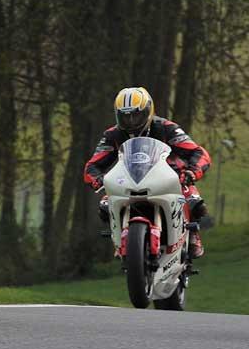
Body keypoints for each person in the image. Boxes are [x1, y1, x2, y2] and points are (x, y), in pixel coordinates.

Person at [83, 86, 211, 258]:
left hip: (166, 177)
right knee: (105, 206)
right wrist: (98, 180)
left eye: (136, 115)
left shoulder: (167, 128)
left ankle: (193, 234)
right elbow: (92, 166)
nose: (131, 121)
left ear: (148, 111)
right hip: (127, 179)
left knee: (194, 200)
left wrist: (192, 171)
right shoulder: (112, 135)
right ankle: (119, 238)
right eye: (125, 117)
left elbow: (198, 153)